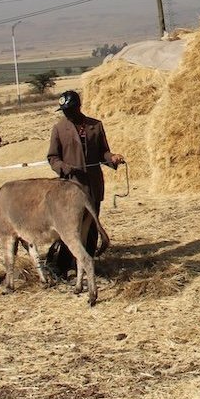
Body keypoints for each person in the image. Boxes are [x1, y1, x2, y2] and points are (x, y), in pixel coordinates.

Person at [46, 89, 124, 274]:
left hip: (92, 187)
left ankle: (88, 267)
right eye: (64, 111)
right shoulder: (59, 129)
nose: (68, 114)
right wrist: (64, 168)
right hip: (70, 187)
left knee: (91, 229)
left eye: (70, 110)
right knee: (70, 229)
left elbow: (103, 152)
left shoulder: (95, 126)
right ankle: (63, 267)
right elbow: (52, 157)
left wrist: (112, 157)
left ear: (79, 107)